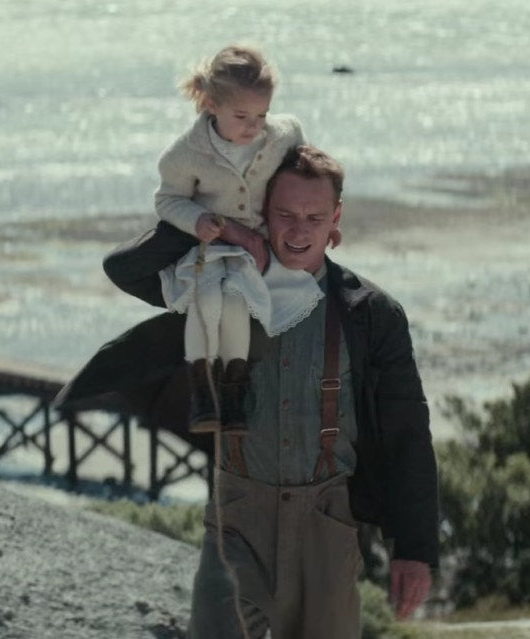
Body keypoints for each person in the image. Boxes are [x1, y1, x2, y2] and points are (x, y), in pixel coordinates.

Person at [94, 144, 438, 637]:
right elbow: (125, 269)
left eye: (314, 217)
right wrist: (216, 222)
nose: (299, 231)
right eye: (285, 214)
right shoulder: (216, 281)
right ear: (262, 211)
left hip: (327, 527)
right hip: (236, 522)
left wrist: (415, 549)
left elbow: (408, 434)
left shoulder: (372, 314)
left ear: (336, 217)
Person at [149, 44, 325, 436]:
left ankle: (233, 395)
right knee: (206, 300)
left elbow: (311, 176)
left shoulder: (284, 134)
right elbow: (167, 199)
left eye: (262, 114)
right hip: (208, 246)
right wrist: (197, 219)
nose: (253, 127)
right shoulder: (187, 152)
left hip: (254, 249)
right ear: (212, 105)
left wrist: (325, 220)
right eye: (242, 117)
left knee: (234, 304)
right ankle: (201, 393)